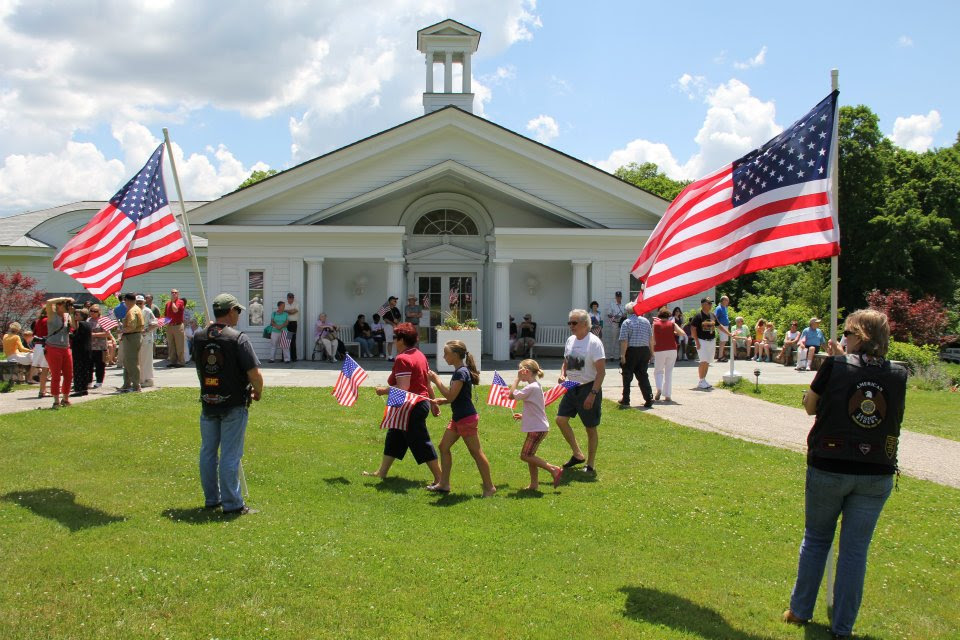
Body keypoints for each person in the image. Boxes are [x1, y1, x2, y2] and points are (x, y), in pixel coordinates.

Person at [783, 309, 906, 639]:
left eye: (847, 334)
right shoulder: (898, 373)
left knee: (817, 539)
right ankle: (843, 627)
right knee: (854, 551)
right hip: (876, 470)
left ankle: (800, 610)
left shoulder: (835, 366)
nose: (843, 340)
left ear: (859, 336)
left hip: (830, 465)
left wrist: (836, 366)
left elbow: (811, 405)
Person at [193, 293, 263, 516]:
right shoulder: (238, 338)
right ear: (231, 310)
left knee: (208, 453)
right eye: (238, 311)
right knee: (230, 455)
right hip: (233, 403)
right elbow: (254, 373)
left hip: (209, 401)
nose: (239, 315)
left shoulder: (199, 336)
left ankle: (212, 499)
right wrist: (258, 391)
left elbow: (199, 368)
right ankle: (232, 504)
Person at [363, 322, 442, 485]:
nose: (394, 341)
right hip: (415, 404)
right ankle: (381, 472)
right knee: (394, 437)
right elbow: (427, 383)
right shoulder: (419, 355)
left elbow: (403, 389)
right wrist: (433, 402)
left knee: (420, 441)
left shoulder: (402, 359)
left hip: (411, 406)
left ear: (401, 340)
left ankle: (440, 479)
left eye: (395, 338)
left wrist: (382, 391)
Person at [426, 340, 496, 497]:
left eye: (446, 354)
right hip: (459, 418)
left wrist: (436, 380)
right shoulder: (460, 371)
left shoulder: (461, 373)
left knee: (476, 453)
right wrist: (441, 400)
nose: (444, 357)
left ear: (456, 355)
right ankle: (444, 484)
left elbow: (451, 396)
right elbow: (458, 397)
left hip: (466, 419)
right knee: (444, 447)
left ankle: (489, 487)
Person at [556, 308, 606, 475]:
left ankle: (590, 465)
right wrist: (562, 374)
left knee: (590, 428)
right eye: (569, 322)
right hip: (571, 387)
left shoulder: (594, 343)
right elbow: (566, 361)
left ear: (585, 324)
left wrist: (592, 394)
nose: (571, 326)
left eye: (574, 323)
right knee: (560, 420)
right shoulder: (570, 340)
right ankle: (578, 454)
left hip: (588, 387)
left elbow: (601, 372)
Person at [506, 359, 564, 490]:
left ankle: (554, 470)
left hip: (537, 429)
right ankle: (534, 485)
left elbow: (510, 396)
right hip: (539, 427)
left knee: (525, 456)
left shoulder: (530, 387)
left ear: (525, 371)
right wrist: (523, 415)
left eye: (520, 371)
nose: (519, 373)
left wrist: (517, 379)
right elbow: (536, 407)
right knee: (530, 456)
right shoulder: (536, 386)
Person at [618, 302, 654, 408]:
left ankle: (626, 399)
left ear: (628, 311)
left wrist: (623, 355)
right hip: (644, 351)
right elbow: (651, 339)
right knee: (643, 375)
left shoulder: (626, 322)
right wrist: (652, 353)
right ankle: (648, 398)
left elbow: (624, 341)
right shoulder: (646, 321)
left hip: (631, 351)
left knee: (627, 376)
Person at [44, 296, 76, 408]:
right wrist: (64, 298)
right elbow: (48, 302)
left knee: (69, 375)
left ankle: (65, 399)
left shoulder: (67, 316)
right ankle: (56, 401)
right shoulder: (52, 315)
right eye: (65, 305)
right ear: (58, 305)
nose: (68, 307)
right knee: (56, 375)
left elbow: (74, 327)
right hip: (53, 348)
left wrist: (71, 314)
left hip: (65, 348)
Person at [690, 297, 729, 390]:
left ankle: (703, 380)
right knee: (703, 361)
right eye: (708, 303)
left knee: (707, 361)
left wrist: (729, 334)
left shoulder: (712, 315)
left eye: (711, 303)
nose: (710, 305)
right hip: (702, 341)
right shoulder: (698, 316)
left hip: (711, 340)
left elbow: (719, 326)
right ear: (703, 304)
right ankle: (701, 380)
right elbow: (693, 329)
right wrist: (697, 341)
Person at [653, 306, 685, 403]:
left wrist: (651, 350)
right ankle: (667, 395)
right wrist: (674, 332)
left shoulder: (655, 324)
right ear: (668, 316)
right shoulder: (672, 324)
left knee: (658, 371)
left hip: (659, 349)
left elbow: (652, 338)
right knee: (669, 372)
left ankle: (659, 388)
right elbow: (682, 333)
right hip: (672, 349)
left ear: (659, 315)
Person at [118, 292, 144, 393]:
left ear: (128, 300)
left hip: (132, 337)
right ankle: (126, 384)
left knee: (132, 362)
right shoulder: (136, 308)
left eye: (125, 301)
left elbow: (132, 326)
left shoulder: (132, 311)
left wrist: (122, 330)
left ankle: (136, 386)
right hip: (134, 337)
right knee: (127, 362)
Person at [69, 308, 93, 397]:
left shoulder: (82, 324)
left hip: (80, 350)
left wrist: (70, 335)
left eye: (77, 315)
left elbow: (78, 337)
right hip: (87, 350)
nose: (75, 316)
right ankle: (84, 388)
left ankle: (79, 389)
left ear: (83, 316)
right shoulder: (88, 324)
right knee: (84, 370)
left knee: (78, 370)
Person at [136, 295, 158, 387]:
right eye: (137, 302)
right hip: (137, 338)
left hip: (146, 339)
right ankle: (141, 379)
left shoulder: (147, 311)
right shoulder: (134, 311)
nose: (139, 304)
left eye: (141, 302)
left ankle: (148, 379)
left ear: (144, 302)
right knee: (139, 359)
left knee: (146, 359)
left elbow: (155, 324)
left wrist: (145, 330)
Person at [88, 305, 111, 388]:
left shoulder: (103, 320)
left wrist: (94, 334)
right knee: (89, 365)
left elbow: (107, 333)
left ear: (99, 312)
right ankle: (89, 381)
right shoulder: (88, 320)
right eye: (91, 311)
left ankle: (99, 381)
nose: (93, 313)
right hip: (90, 346)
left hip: (100, 347)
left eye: (95, 311)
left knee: (100, 365)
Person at [30, 305, 51, 398]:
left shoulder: (38, 321)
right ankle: (42, 390)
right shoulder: (48, 321)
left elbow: (34, 333)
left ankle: (43, 390)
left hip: (38, 345)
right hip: (44, 345)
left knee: (44, 369)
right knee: (45, 369)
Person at [164, 288, 187, 367]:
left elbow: (175, 310)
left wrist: (173, 301)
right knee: (171, 345)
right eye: (172, 292)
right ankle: (173, 361)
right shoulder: (167, 304)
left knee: (179, 345)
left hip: (178, 326)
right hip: (170, 326)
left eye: (175, 293)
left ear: (178, 294)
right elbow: (166, 316)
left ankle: (181, 362)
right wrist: (163, 324)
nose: (173, 294)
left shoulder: (180, 302)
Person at [284, 292, 300, 362]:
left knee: (292, 341)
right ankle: (285, 358)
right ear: (287, 298)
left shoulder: (296, 303)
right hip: (286, 324)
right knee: (285, 341)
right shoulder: (284, 303)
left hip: (293, 324)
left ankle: (294, 358)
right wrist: (290, 311)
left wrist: (287, 311)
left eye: (292, 298)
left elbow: (294, 311)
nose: (291, 299)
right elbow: (283, 311)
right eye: (289, 298)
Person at [716, 295, 731, 362]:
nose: (728, 301)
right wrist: (719, 325)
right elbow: (715, 317)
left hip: (725, 326)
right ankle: (720, 357)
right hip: (722, 327)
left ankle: (721, 355)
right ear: (723, 301)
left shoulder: (724, 307)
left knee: (723, 341)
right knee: (723, 341)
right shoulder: (719, 308)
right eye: (727, 300)